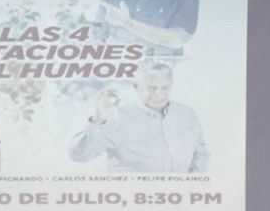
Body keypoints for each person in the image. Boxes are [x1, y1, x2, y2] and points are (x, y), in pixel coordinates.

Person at [68, 63, 208, 173]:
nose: (159, 94)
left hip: (178, 202)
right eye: (152, 88)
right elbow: (79, 156)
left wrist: (191, 188)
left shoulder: (187, 114)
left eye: (165, 88)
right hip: (131, 203)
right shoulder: (117, 117)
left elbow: (200, 154)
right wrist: (98, 118)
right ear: (136, 85)